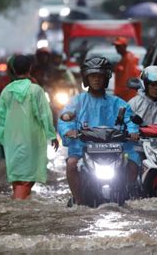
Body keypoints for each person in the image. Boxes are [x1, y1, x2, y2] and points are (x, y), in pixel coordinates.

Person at [58, 57, 141, 206]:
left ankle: (128, 197)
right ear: (86, 79)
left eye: (100, 77)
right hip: (83, 148)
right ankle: (79, 200)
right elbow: (65, 118)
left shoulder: (117, 102)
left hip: (114, 148)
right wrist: (68, 130)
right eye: (93, 76)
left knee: (134, 164)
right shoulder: (77, 102)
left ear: (106, 79)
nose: (96, 80)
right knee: (71, 164)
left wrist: (133, 131)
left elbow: (130, 119)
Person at [0, 55, 59, 200]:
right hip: (31, 139)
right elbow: (45, 114)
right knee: (28, 177)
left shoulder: (6, 91)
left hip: (12, 139)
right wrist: (52, 135)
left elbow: (1, 117)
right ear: (30, 69)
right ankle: (17, 209)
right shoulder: (35, 90)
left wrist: (3, 138)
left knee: (18, 178)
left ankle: (18, 206)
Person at [0, 56, 38, 161]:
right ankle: (0, 162)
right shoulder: (2, 81)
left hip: (27, 120)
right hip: (7, 121)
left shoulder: (32, 81)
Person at [113, 37, 140, 101]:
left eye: (118, 46)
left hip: (127, 97)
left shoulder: (129, 59)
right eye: (116, 46)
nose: (116, 48)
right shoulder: (125, 58)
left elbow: (128, 79)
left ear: (124, 46)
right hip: (123, 96)